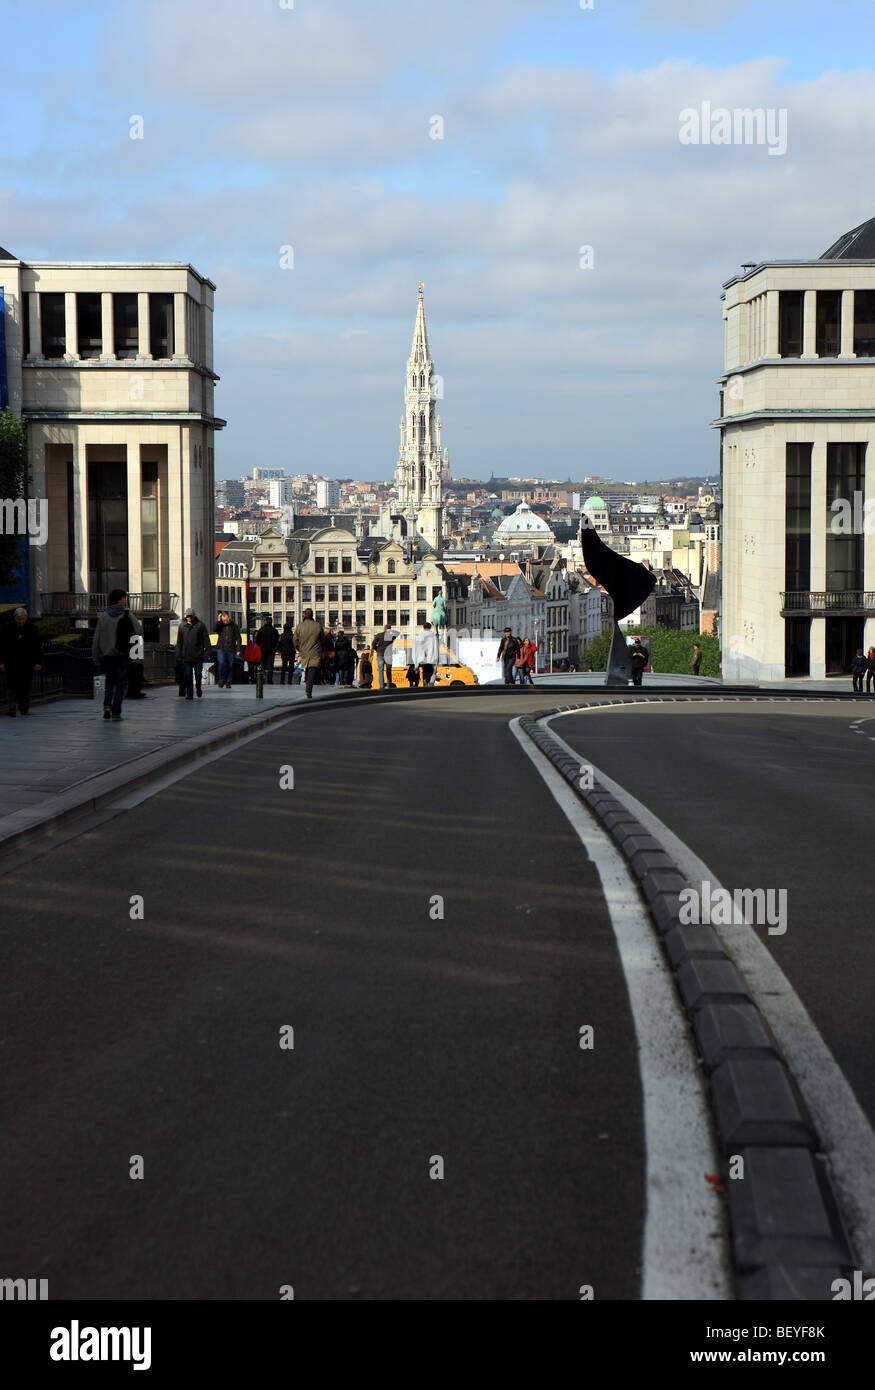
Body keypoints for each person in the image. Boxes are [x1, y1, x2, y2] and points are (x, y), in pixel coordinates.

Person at [93, 589, 142, 720]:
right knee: (120, 683)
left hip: (107, 655)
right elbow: (138, 630)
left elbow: (96, 638)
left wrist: (96, 656)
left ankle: (107, 706)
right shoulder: (127, 615)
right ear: (119, 600)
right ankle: (116, 712)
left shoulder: (103, 616)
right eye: (124, 598)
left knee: (109, 681)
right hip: (123, 654)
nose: (125, 600)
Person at [0, 606, 42, 717]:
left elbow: (37, 647)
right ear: (15, 618)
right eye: (18, 619)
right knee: (10, 687)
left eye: (22, 619)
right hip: (11, 662)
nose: (21, 621)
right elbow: (2, 646)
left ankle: (24, 708)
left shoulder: (33, 629)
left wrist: (38, 662)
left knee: (25, 687)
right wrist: (2, 662)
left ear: (26, 618)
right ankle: (12, 708)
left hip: (26, 663)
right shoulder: (7, 628)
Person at [176, 607, 211, 700]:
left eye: (190, 616)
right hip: (186, 656)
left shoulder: (200, 625)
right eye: (187, 616)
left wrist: (207, 652)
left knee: (198, 674)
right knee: (188, 675)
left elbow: (206, 639)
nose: (189, 618)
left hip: (198, 656)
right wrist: (178, 654)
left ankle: (198, 688)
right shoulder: (182, 626)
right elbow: (179, 641)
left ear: (194, 616)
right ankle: (190, 693)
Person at [293, 608, 325, 699]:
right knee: (311, 670)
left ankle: (308, 687)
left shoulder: (300, 626)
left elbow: (295, 640)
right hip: (314, 651)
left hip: (304, 651)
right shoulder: (317, 626)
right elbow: (323, 638)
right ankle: (308, 689)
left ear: (304, 615)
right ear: (312, 615)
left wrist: (299, 648)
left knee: (308, 669)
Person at [215, 611, 242, 689]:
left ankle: (228, 682)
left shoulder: (234, 626)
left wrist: (238, 649)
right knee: (221, 663)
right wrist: (219, 621)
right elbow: (215, 629)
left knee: (230, 665)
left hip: (231, 648)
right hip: (221, 648)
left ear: (229, 618)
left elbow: (238, 637)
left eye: (226, 620)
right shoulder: (221, 625)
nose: (225, 622)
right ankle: (221, 680)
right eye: (223, 620)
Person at [372, 623, 400, 691]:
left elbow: (373, 644)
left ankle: (381, 686)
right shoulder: (391, 636)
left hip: (380, 654)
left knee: (380, 670)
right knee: (388, 670)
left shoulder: (379, 635)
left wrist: (377, 649)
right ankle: (389, 685)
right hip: (388, 655)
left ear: (384, 629)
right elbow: (397, 633)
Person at [413, 621, 439, 688]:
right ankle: (430, 682)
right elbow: (436, 648)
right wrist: (436, 659)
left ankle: (425, 681)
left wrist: (416, 663)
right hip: (431, 658)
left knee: (424, 671)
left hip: (422, 659)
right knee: (432, 672)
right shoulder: (433, 636)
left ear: (423, 627)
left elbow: (415, 649)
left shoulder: (419, 636)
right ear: (430, 628)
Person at [255, 615, 279, 684]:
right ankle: (269, 679)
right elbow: (277, 641)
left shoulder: (261, 630)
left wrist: (261, 645)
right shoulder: (274, 631)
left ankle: (262, 677)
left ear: (265, 622)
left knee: (262, 663)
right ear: (271, 622)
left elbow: (257, 641)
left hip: (263, 649)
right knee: (270, 665)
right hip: (271, 650)